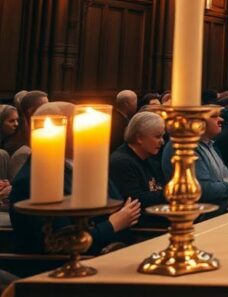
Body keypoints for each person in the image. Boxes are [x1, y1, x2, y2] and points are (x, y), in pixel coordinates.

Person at [11, 102, 142, 254]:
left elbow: (120, 205)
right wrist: (112, 225)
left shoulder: (86, 167)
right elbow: (59, 242)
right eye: (80, 123)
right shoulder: (31, 180)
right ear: (57, 131)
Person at [163, 100, 228, 215]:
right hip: (199, 219)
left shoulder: (209, 144)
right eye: (214, 116)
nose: (221, 119)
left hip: (220, 212)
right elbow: (203, 189)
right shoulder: (184, 146)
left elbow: (219, 180)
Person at [109, 111, 166, 227]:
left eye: (162, 136)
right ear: (139, 138)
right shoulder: (121, 162)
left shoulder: (150, 159)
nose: (162, 141)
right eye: (157, 136)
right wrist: (171, 194)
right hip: (141, 229)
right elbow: (136, 201)